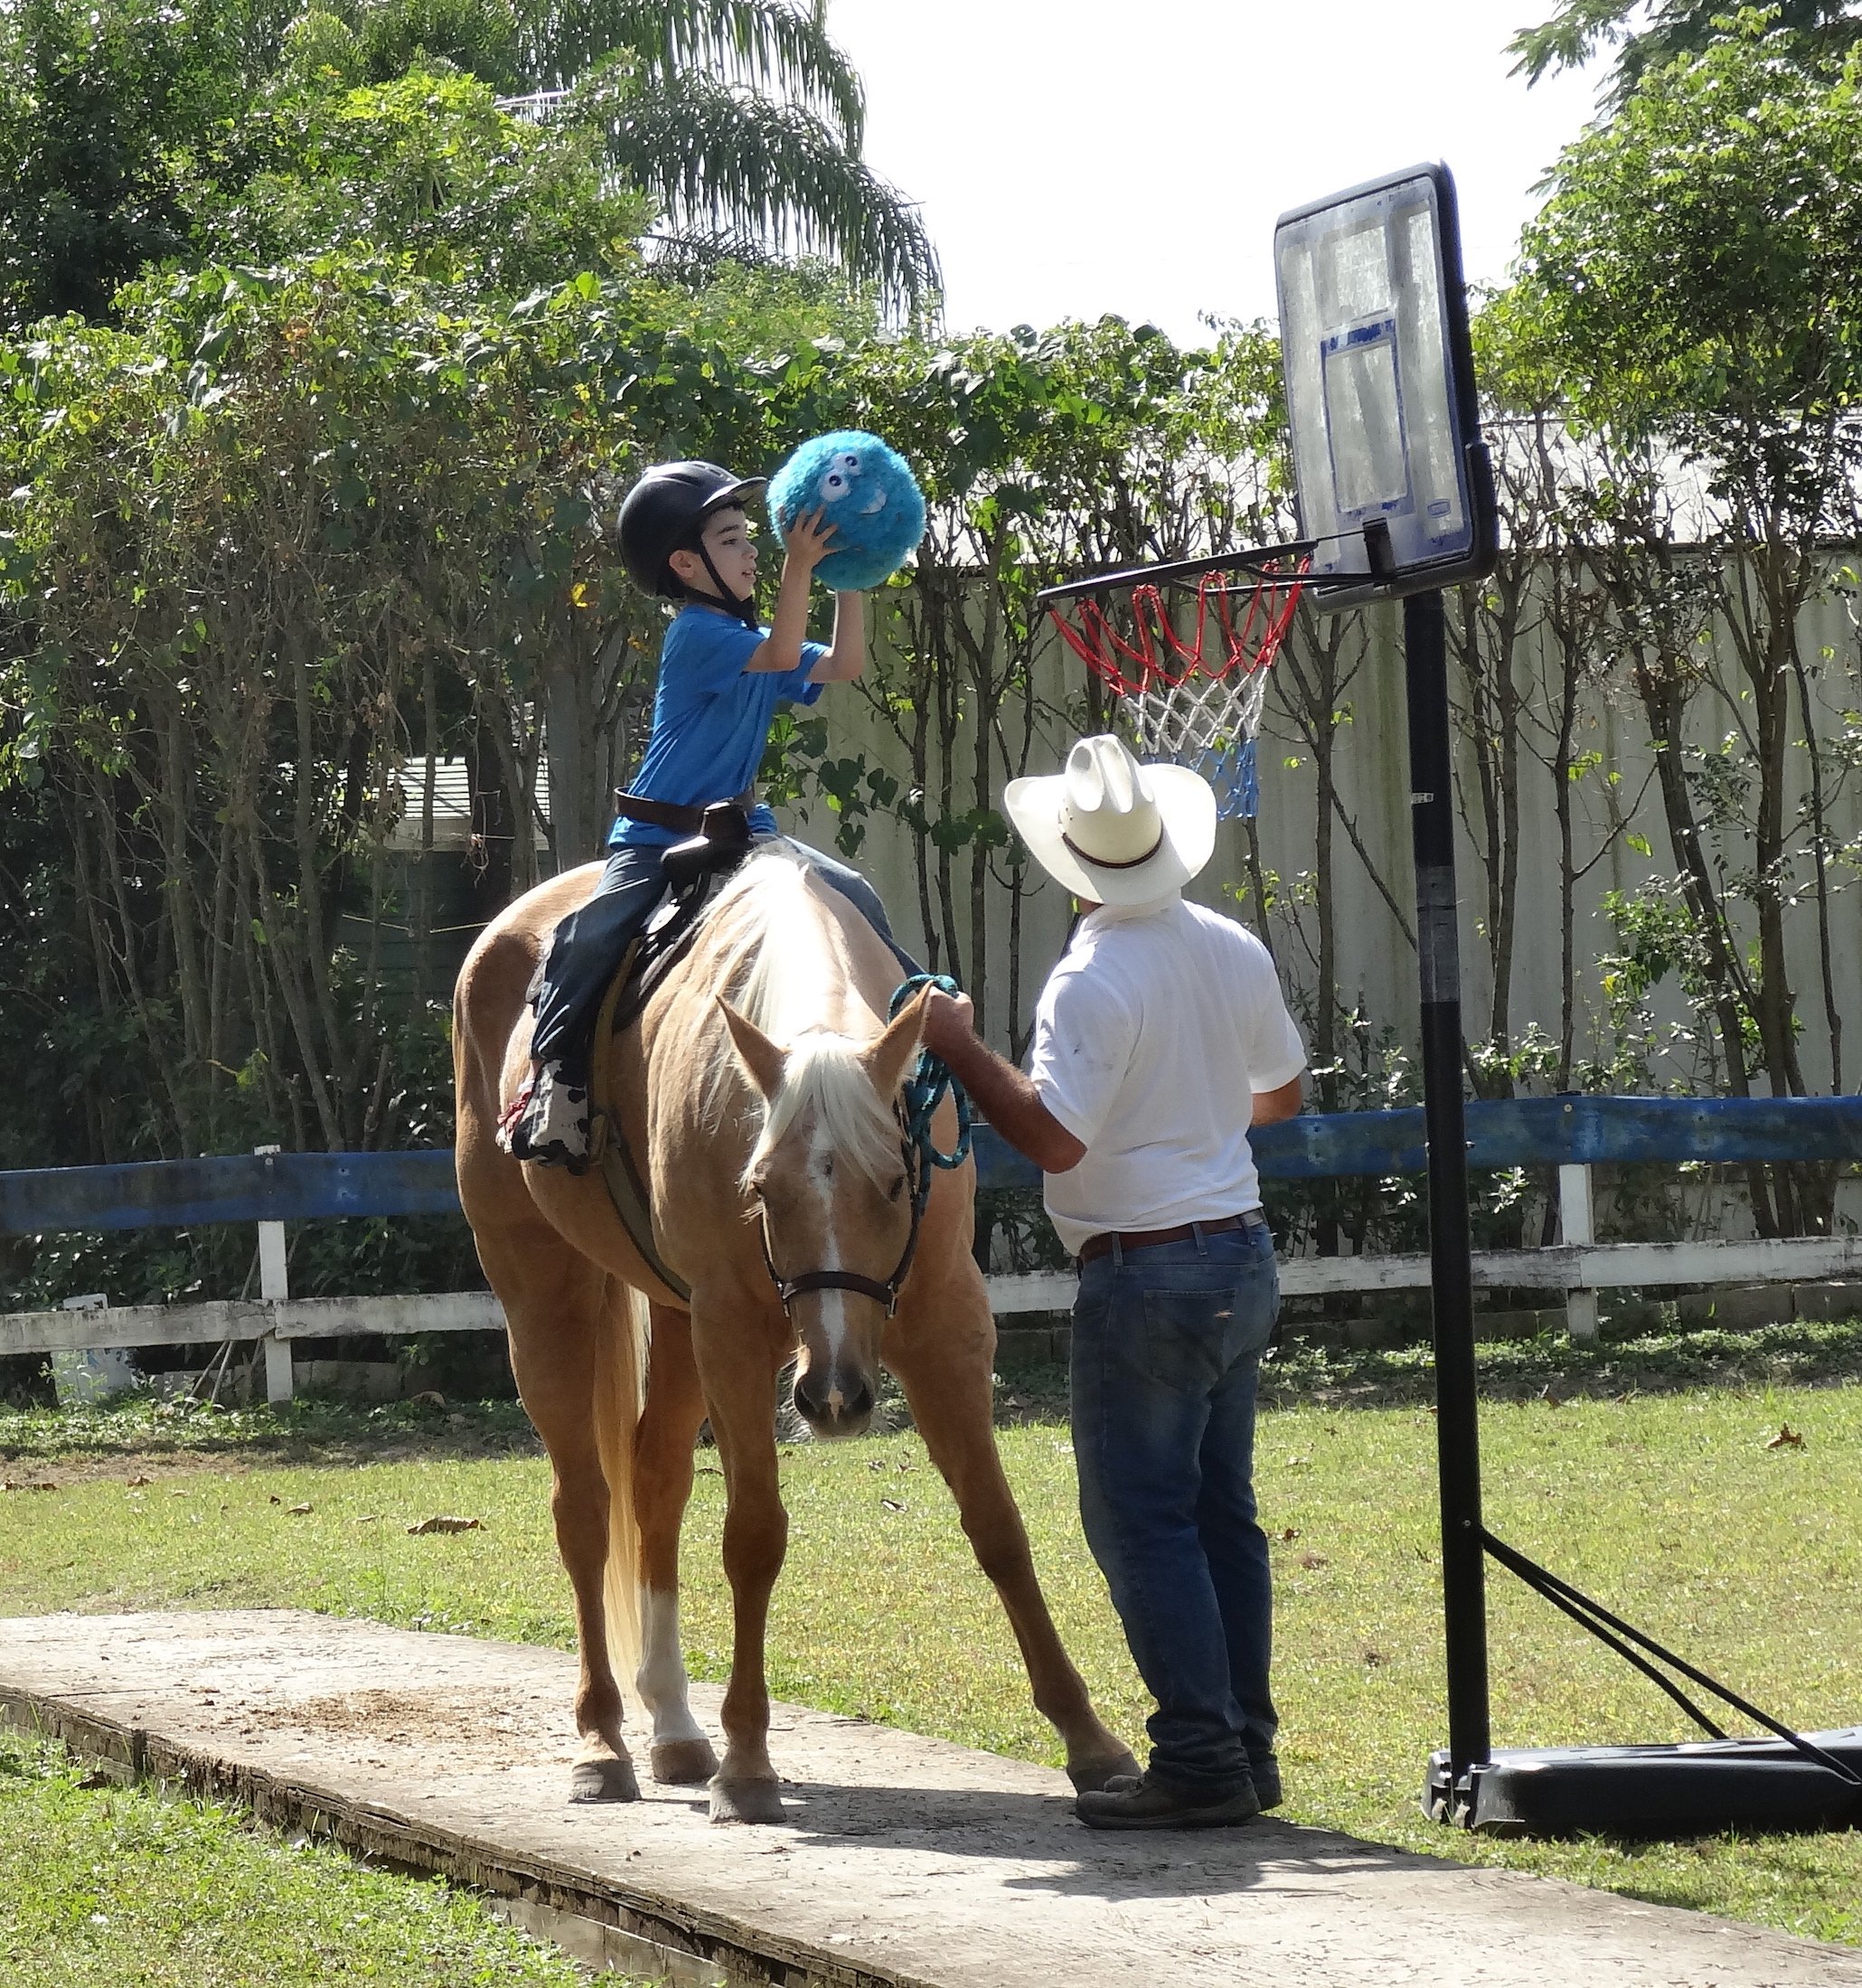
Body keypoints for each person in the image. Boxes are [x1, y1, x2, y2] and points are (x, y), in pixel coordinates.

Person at [920, 733, 1306, 1831]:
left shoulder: (1090, 978)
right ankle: (1242, 1747)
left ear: (1071, 861)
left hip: (1145, 1267)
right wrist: (1183, 1118)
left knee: (1140, 1518)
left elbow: (1049, 1139)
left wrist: (955, 1041)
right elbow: (1277, 1097)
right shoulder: (1228, 946)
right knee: (1218, 1511)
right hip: (1237, 1245)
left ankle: (1196, 1754)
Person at [500, 458, 914, 1169]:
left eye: (749, 536)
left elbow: (843, 664)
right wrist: (804, 566)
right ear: (687, 564)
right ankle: (557, 1084)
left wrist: (851, 573)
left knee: (856, 896)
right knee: (592, 938)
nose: (753, 549)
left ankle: (921, 1045)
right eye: (732, 539)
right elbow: (785, 648)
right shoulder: (697, 636)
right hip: (657, 835)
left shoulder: (749, 640)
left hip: (742, 834)